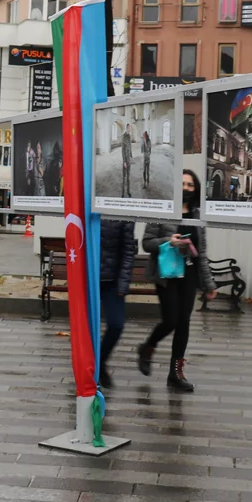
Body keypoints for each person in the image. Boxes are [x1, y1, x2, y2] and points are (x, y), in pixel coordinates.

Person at [138, 169, 217, 392]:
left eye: (190, 185)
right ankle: (148, 347)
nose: (186, 188)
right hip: (167, 274)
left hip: (189, 275)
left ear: (196, 188)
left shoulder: (197, 215)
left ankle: (176, 373)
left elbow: (201, 252)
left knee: (184, 323)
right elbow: (147, 243)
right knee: (171, 320)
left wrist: (209, 284)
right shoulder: (163, 208)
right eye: (182, 184)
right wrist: (168, 241)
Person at [98, 218, 136, 390]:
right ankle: (87, 370)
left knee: (116, 324)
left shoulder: (122, 210)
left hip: (111, 281)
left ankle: (100, 362)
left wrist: (123, 283)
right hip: (87, 279)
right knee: (84, 329)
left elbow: (129, 250)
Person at [120, 126, 134, 197]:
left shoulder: (129, 136)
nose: (130, 129)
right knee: (124, 177)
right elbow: (122, 150)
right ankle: (122, 193)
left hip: (129, 159)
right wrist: (124, 161)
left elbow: (130, 146)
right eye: (129, 128)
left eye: (130, 128)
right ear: (127, 128)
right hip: (125, 160)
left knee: (128, 177)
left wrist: (131, 156)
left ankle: (128, 191)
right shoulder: (124, 136)